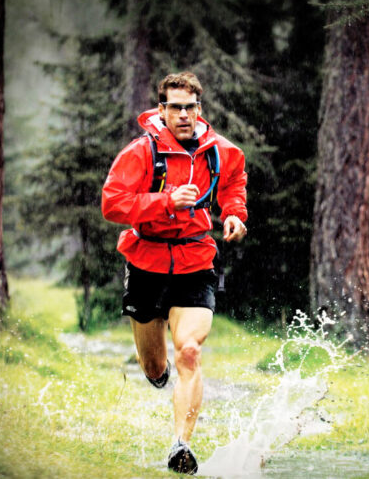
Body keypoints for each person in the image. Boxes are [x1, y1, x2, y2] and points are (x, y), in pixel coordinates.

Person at [102, 72, 247, 474]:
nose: (183, 115)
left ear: (199, 109)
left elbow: (233, 184)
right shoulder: (140, 152)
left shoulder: (221, 151)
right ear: (162, 109)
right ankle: (158, 372)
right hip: (146, 262)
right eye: (175, 107)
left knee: (190, 351)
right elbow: (112, 204)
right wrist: (165, 202)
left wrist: (234, 214)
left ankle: (180, 445)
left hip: (195, 259)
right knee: (154, 367)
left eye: (190, 107)